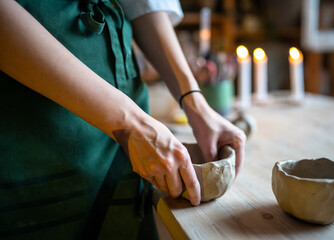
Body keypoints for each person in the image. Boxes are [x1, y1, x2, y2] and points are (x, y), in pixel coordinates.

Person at [0, 0, 246, 239]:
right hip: (32, 132)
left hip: (125, 136)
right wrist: (131, 122)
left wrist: (195, 104)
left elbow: (143, 4)